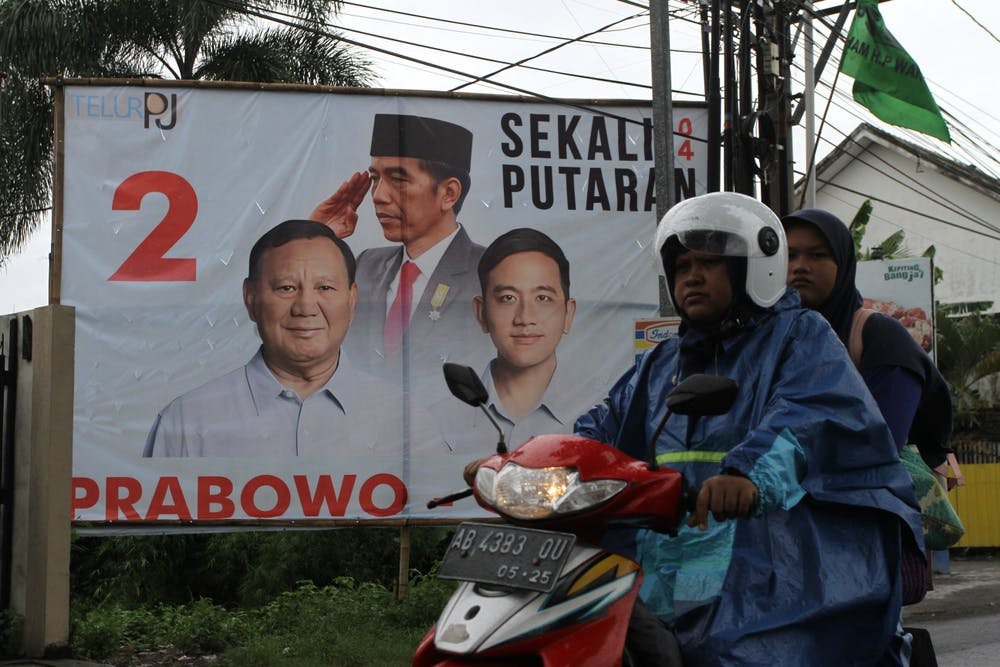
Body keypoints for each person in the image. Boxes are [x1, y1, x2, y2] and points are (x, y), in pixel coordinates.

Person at [572, 192, 924, 665]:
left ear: (751, 269)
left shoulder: (800, 336)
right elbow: (602, 429)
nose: (691, 277)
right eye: (681, 267)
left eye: (709, 264)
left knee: (732, 654)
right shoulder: (661, 362)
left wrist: (748, 476)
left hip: (768, 562)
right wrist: (530, 466)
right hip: (665, 559)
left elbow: (808, 413)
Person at [144, 220, 439, 460]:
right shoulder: (186, 421)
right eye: (286, 288)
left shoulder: (406, 420)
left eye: (325, 287)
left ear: (352, 301)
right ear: (251, 299)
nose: (305, 307)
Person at [310, 114, 491, 400]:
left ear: (449, 193)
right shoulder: (368, 265)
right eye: (374, 179)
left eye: (398, 179)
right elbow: (296, 333)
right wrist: (316, 237)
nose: (378, 196)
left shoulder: (491, 273)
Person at [433, 228, 601, 454]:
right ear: (481, 313)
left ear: (568, 314)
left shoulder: (601, 413)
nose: (525, 318)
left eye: (542, 298)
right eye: (507, 298)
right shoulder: (440, 422)